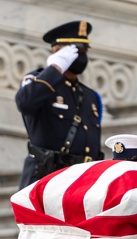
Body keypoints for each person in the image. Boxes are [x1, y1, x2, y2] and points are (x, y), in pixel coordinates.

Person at [16, 20, 103, 189]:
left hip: (82, 181)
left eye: (85, 51)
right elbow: (25, 103)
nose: (82, 56)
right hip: (47, 176)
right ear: (57, 50)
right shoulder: (39, 82)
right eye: (77, 51)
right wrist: (55, 68)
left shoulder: (89, 96)